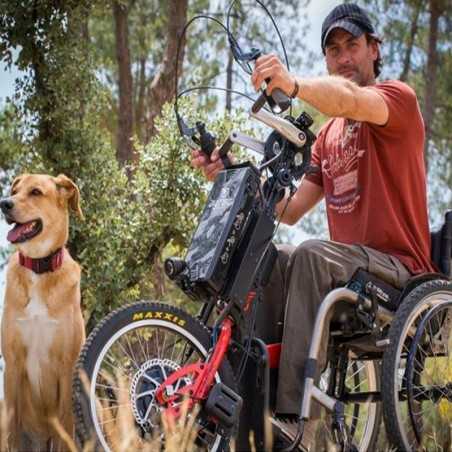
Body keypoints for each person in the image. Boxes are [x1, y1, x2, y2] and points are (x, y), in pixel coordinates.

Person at [191, 3, 435, 449]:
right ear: (327, 58)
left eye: (353, 45)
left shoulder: (396, 100)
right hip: (349, 270)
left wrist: (296, 85)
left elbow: (351, 100)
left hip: (398, 271)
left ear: (374, 50)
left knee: (308, 254)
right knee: (271, 258)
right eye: (334, 50)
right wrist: (229, 167)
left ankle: (293, 417)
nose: (344, 57)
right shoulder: (328, 137)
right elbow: (290, 208)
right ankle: (249, 404)